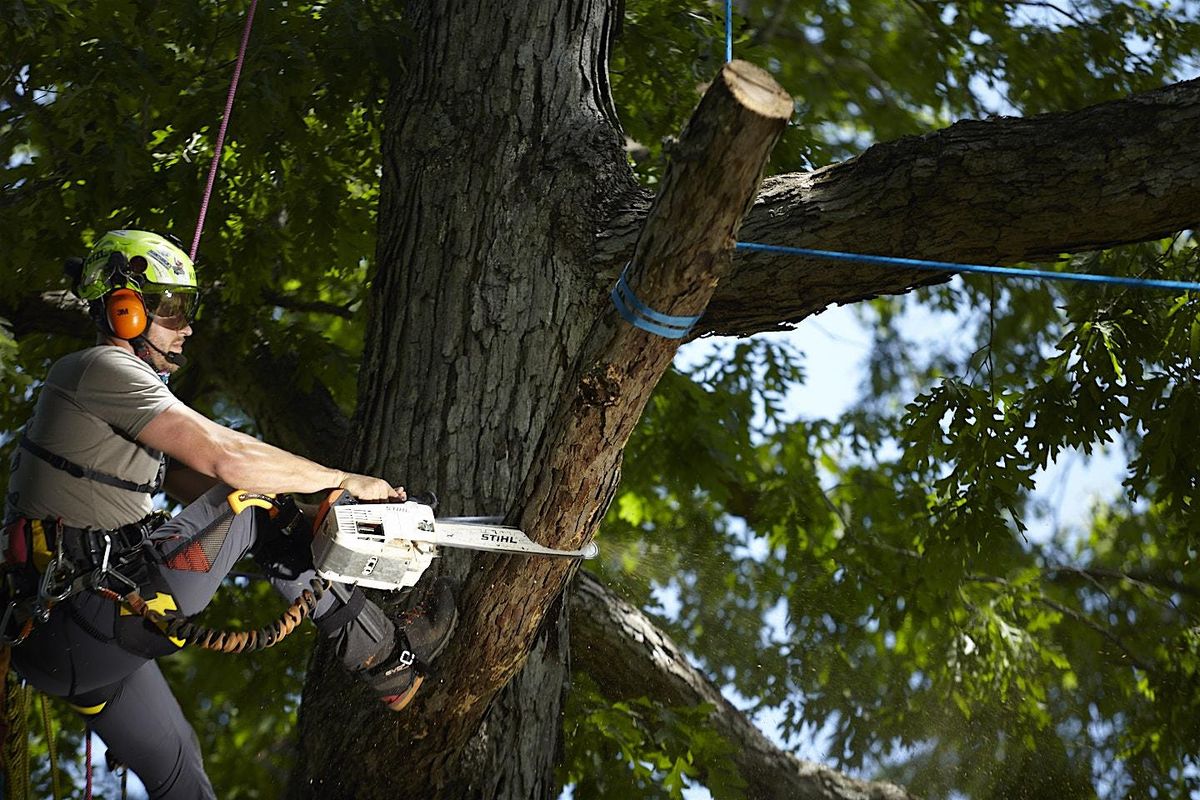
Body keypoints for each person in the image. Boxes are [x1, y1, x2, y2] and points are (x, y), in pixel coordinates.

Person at [1, 230, 456, 799]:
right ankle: (387, 658)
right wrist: (343, 481)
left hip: (68, 648)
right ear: (125, 310)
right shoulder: (100, 368)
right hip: (90, 614)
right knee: (255, 501)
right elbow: (229, 460)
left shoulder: (104, 407)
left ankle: (384, 655)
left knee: (180, 772)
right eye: (172, 309)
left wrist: (316, 509)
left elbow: (198, 480)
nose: (187, 326)